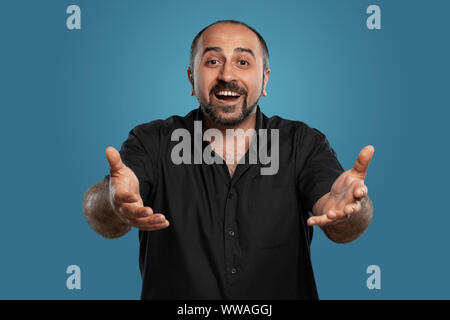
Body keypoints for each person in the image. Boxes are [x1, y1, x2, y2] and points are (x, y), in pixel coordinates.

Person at [82, 20, 374, 299]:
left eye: (243, 62)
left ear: (265, 78)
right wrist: (112, 202)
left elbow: (340, 220)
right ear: (191, 77)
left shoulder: (302, 143)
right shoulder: (153, 140)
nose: (227, 75)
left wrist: (351, 210)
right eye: (212, 61)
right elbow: (105, 214)